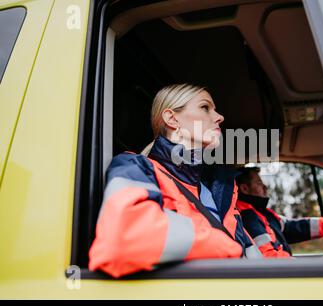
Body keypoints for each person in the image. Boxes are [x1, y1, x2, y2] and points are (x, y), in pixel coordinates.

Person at [89, 84, 261, 278]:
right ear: (172, 119)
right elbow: (125, 237)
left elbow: (256, 261)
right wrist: (227, 248)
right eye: (205, 107)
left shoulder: (222, 189)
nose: (219, 117)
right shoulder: (136, 167)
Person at [236, 167, 323, 258]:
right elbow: (270, 258)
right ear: (245, 188)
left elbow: (296, 227)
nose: (265, 187)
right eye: (259, 183)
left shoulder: (262, 213)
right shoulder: (247, 218)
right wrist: (315, 267)